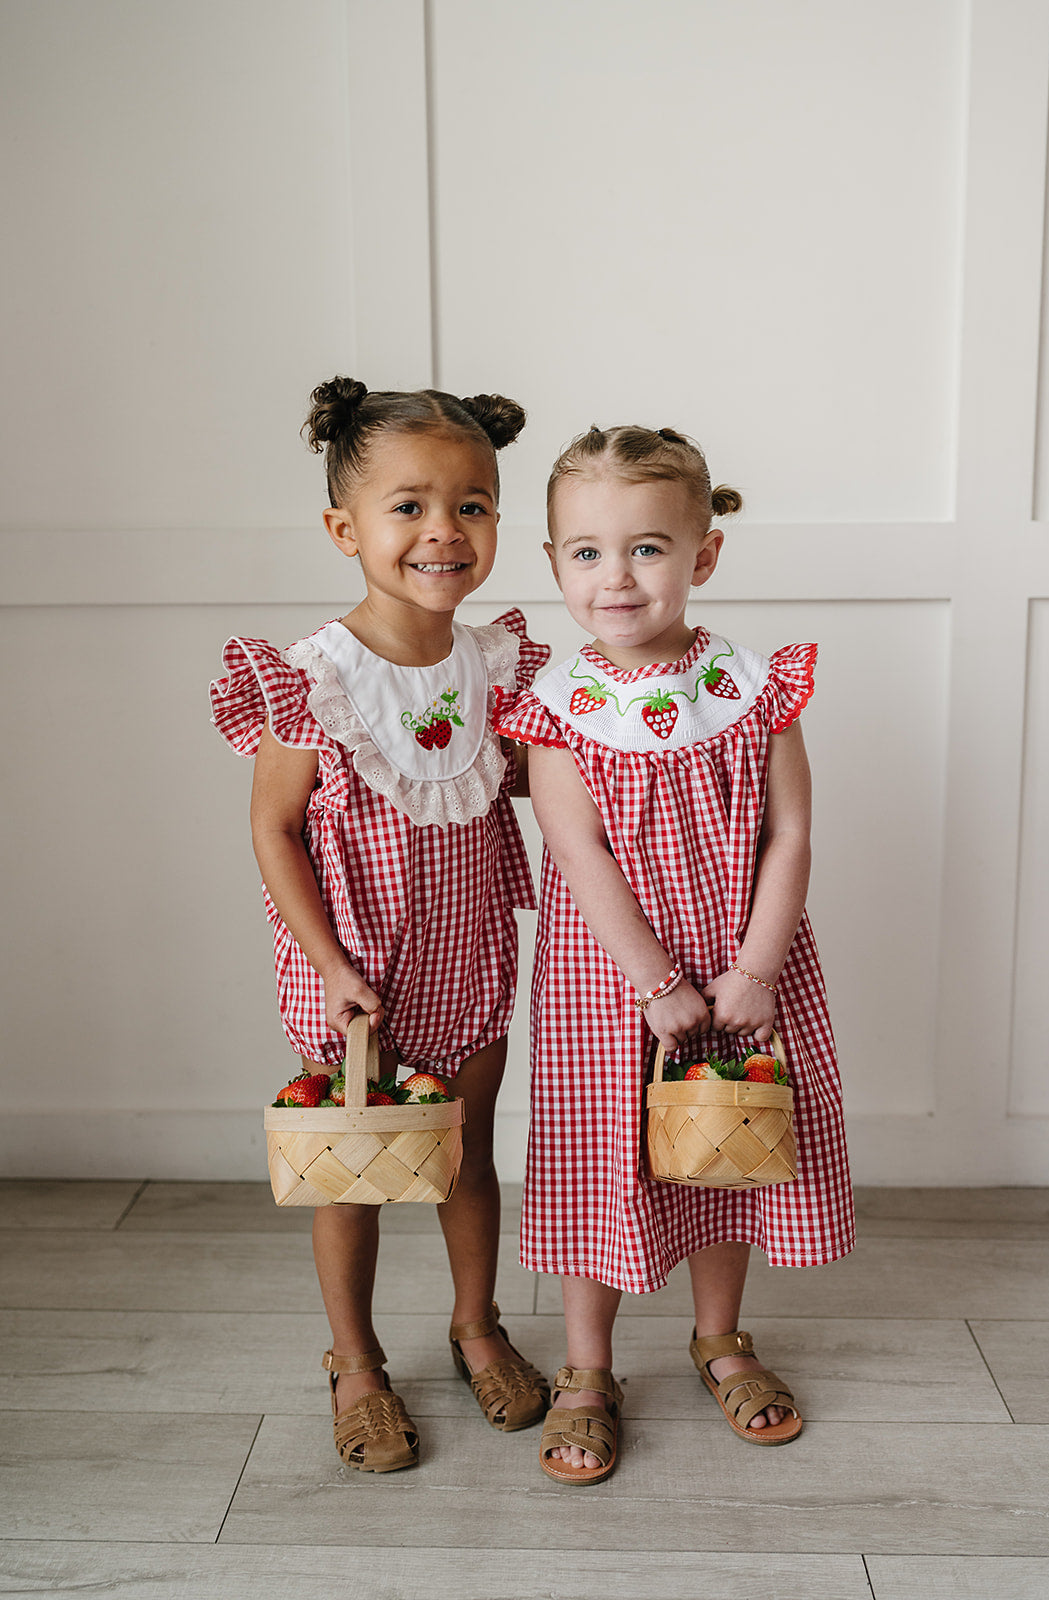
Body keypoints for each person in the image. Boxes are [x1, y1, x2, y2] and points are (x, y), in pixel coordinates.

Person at [496, 424, 854, 1484]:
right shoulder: (557, 709)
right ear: (555, 561)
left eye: (647, 547)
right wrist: (654, 982)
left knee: (724, 1152)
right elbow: (578, 849)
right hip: (610, 984)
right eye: (586, 551)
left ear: (701, 556)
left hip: (745, 967)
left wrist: (752, 969)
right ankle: (585, 1365)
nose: (616, 575)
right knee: (595, 1159)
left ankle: (718, 1335)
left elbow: (788, 831)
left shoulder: (750, 688)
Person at [210, 379, 551, 1472]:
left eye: (472, 503)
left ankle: (475, 1321)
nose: (443, 530)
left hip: (467, 955)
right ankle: (354, 1359)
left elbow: (565, 792)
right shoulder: (314, 677)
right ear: (342, 528)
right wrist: (330, 965)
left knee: (466, 1153)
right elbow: (273, 832)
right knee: (349, 1171)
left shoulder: (499, 664)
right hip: (350, 964)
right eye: (408, 505)